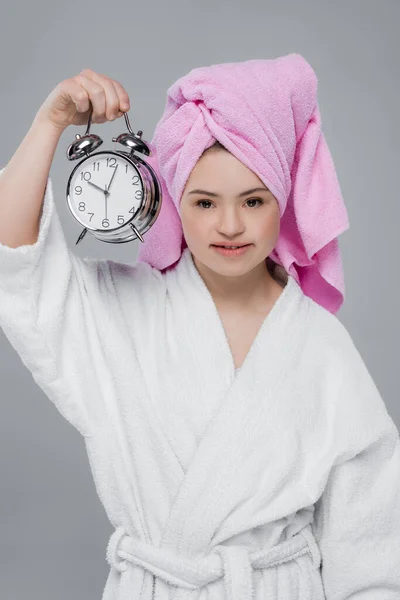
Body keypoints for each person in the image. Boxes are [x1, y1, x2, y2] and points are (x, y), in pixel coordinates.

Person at [0, 66, 400, 600]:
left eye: (253, 201)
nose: (229, 225)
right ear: (174, 201)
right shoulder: (121, 311)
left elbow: (373, 549)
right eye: (205, 202)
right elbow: (15, 262)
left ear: (282, 203)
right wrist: (50, 122)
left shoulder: (322, 349)